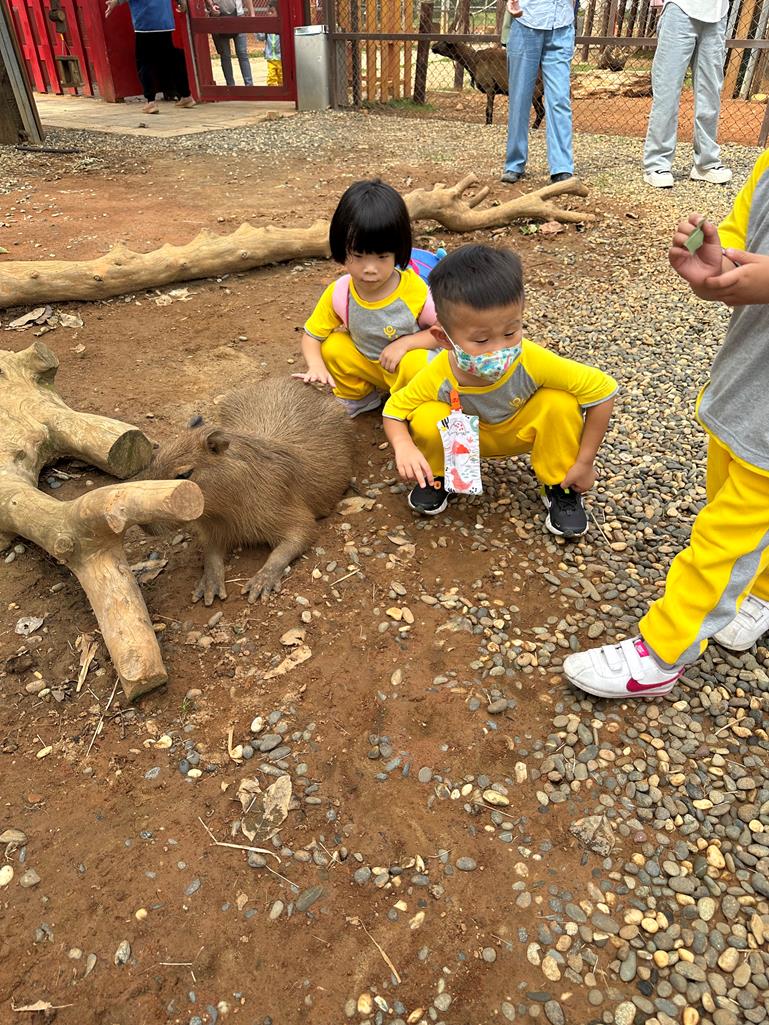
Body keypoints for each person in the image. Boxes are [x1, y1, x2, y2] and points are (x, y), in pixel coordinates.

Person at [563, 152, 769, 699]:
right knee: (729, 502)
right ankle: (760, 591)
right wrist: (715, 268)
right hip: (745, 385)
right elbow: (739, 241)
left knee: (724, 535)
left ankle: (662, 653)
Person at [382, 244, 617, 533]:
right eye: (481, 340)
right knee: (426, 414)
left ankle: (561, 483)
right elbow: (394, 410)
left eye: (510, 332)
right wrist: (404, 446)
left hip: (519, 431)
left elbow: (603, 391)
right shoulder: (438, 373)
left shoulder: (532, 360)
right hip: (466, 441)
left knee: (561, 402)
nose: (499, 349)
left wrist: (585, 462)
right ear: (443, 338)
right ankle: (439, 476)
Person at [297, 179, 440, 417]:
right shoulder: (340, 292)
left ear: (398, 252)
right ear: (342, 249)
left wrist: (405, 344)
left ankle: (412, 402)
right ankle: (359, 397)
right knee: (332, 346)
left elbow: (443, 331)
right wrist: (316, 366)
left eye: (382, 257)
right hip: (369, 366)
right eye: (358, 255)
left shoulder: (414, 289)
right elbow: (312, 336)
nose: (370, 269)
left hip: (405, 369)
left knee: (420, 362)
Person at [643, 0, 731, 188]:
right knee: (667, 90)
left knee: (710, 92)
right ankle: (657, 164)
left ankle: (706, 163)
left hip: (718, 13)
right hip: (680, 8)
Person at [501, 0, 576, 185]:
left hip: (561, 25)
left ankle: (562, 167)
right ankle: (514, 163)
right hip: (526, 22)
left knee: (559, 99)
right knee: (519, 99)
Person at [105, 0, 196, 114]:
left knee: (145, 62)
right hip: (165, 21)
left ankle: (150, 101)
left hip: (145, 22)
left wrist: (116, 2)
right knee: (171, 59)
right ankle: (186, 95)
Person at [205, 0, 254, 87]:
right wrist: (211, 6)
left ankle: (249, 86)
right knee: (225, 55)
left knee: (242, 53)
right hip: (219, 17)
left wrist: (252, 14)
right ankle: (231, 87)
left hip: (238, 16)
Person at [257, 0, 282, 86]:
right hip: (271, 58)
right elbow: (261, 37)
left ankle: (282, 89)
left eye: (272, 12)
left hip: (281, 58)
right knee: (271, 77)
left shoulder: (281, 26)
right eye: (268, 12)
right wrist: (257, 29)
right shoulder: (267, 27)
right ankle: (273, 90)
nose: (269, 14)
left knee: (282, 76)